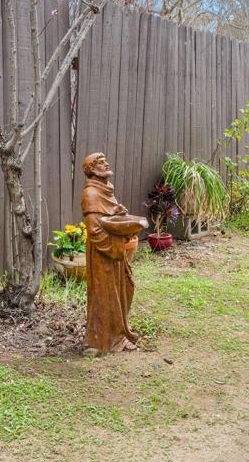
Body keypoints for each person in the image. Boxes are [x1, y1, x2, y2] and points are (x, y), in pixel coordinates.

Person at [81, 152, 141, 355]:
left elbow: (109, 217)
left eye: (105, 160)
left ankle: (118, 335)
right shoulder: (91, 194)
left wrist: (118, 213)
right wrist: (116, 244)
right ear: (92, 169)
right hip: (103, 254)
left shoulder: (106, 191)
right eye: (100, 162)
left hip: (113, 253)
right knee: (105, 297)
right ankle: (102, 342)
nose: (106, 163)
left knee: (125, 288)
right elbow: (94, 230)